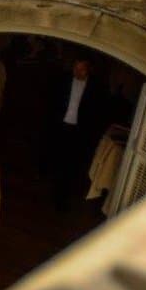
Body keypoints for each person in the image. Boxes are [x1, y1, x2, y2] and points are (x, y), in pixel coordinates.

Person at [46, 56, 109, 210]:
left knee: (72, 164)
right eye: (75, 68)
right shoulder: (64, 80)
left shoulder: (96, 87)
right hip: (61, 126)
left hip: (79, 131)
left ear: (89, 69)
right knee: (57, 158)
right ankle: (54, 189)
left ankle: (63, 196)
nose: (77, 72)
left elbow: (98, 112)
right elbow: (53, 102)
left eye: (81, 69)